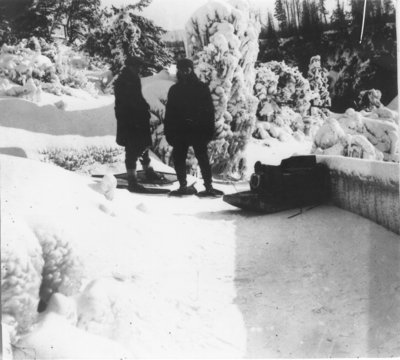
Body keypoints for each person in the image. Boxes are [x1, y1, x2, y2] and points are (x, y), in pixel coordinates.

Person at [164, 58, 224, 197]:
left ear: (192, 70)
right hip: (180, 131)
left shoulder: (201, 88)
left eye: (188, 69)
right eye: (182, 69)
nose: (185, 72)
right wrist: (169, 132)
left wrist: (208, 131)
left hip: (198, 131)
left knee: (202, 157)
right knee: (178, 157)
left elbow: (209, 112)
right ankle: (183, 187)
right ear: (178, 71)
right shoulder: (174, 90)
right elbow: (170, 113)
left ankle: (209, 187)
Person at [114, 56, 161, 192]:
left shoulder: (132, 78)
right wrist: (141, 108)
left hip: (137, 119)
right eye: (137, 66)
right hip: (129, 120)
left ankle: (147, 171)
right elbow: (127, 102)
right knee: (132, 149)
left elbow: (137, 98)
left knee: (143, 145)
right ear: (130, 66)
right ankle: (132, 180)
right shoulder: (123, 81)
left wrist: (143, 107)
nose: (139, 69)